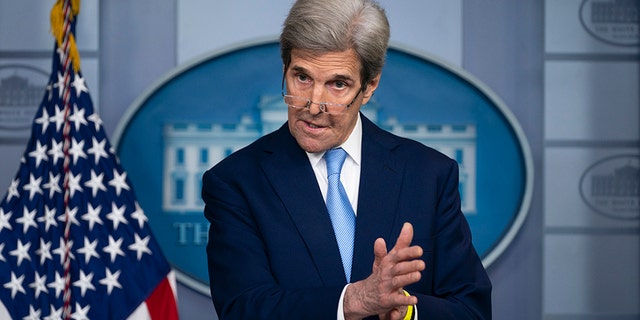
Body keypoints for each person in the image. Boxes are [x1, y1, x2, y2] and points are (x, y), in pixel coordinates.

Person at [202, 0, 492, 319]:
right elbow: (244, 308)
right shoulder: (236, 181)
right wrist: (353, 301)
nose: (314, 105)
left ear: (369, 87)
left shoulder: (429, 174)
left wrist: (406, 311)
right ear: (285, 69)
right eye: (302, 77)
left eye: (337, 84)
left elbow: (471, 309)